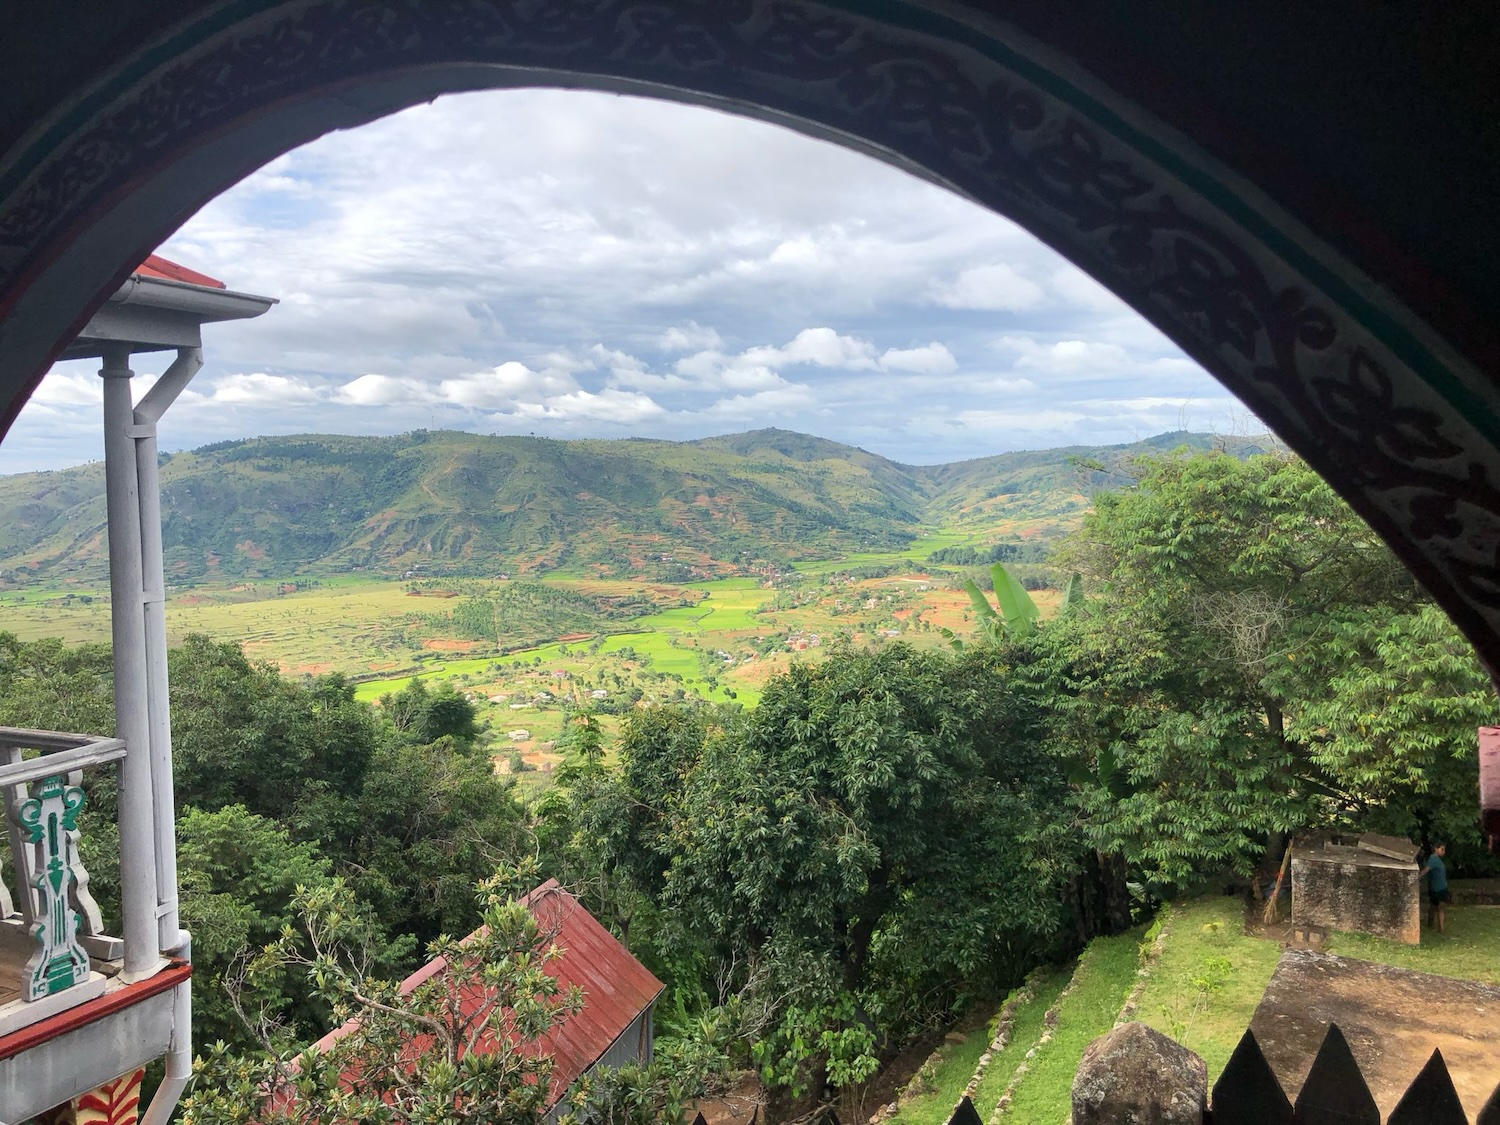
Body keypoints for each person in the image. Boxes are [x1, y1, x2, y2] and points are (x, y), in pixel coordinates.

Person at [1420, 842, 1449, 933]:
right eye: (1442, 849)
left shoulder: (1438, 860)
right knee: (1434, 907)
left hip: (1442, 887)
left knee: (1441, 907)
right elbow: (1426, 870)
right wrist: (1418, 877)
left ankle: (1441, 928)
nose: (1443, 852)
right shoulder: (1433, 859)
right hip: (1435, 888)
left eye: (1444, 850)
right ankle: (1431, 923)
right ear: (1436, 849)